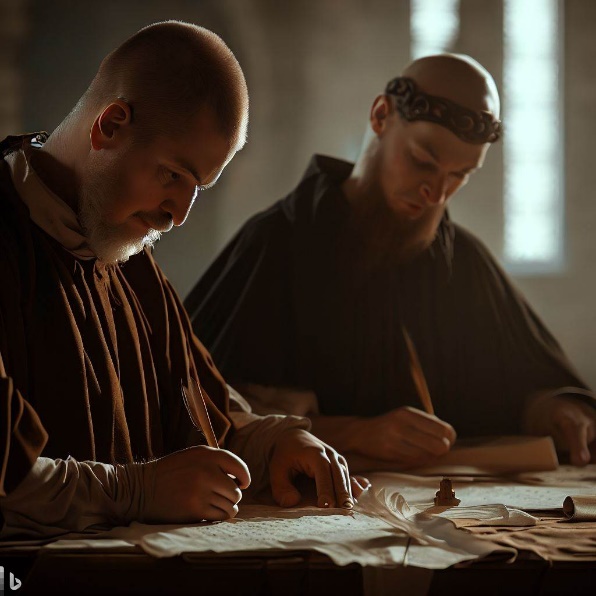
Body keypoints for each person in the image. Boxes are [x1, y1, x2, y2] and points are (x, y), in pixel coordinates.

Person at [0, 21, 366, 540]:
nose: (178, 215)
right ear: (109, 126)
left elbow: (199, 402)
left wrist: (272, 444)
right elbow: (6, 479)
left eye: (199, 187)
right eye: (173, 174)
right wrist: (135, 491)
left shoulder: (123, 248)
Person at [185, 54, 596, 472]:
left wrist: (555, 410)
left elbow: (521, 386)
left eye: (460, 175)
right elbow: (195, 407)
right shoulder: (275, 244)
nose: (436, 193)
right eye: (423, 161)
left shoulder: (463, 262)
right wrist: (351, 433)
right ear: (381, 116)